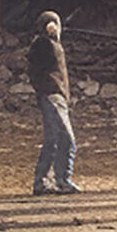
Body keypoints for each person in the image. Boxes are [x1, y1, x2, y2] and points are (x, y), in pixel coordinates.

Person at [28, 11, 80, 196]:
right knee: (64, 139)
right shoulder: (43, 44)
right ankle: (59, 181)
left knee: (56, 140)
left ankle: (47, 182)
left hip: (55, 96)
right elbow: (35, 71)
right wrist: (48, 90)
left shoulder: (50, 44)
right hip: (52, 96)